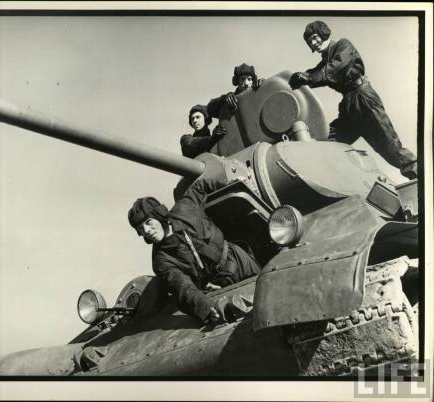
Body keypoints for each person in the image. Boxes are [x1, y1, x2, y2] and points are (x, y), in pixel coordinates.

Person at [289, 20, 417, 180]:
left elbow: (335, 69)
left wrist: (308, 77)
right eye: (310, 42)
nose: (314, 43)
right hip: (349, 105)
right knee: (326, 139)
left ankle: (419, 173)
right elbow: (316, 72)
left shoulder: (343, 46)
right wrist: (293, 80)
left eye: (315, 38)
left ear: (323, 33)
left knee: (389, 146)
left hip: (363, 98)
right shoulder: (324, 62)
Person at [127, 176, 260, 325]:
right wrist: (206, 308)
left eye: (148, 222)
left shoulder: (185, 208)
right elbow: (183, 289)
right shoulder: (161, 261)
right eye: (140, 228)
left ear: (158, 215)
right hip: (217, 285)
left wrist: (231, 180)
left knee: (268, 292)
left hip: (237, 260)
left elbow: (203, 183)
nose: (146, 230)